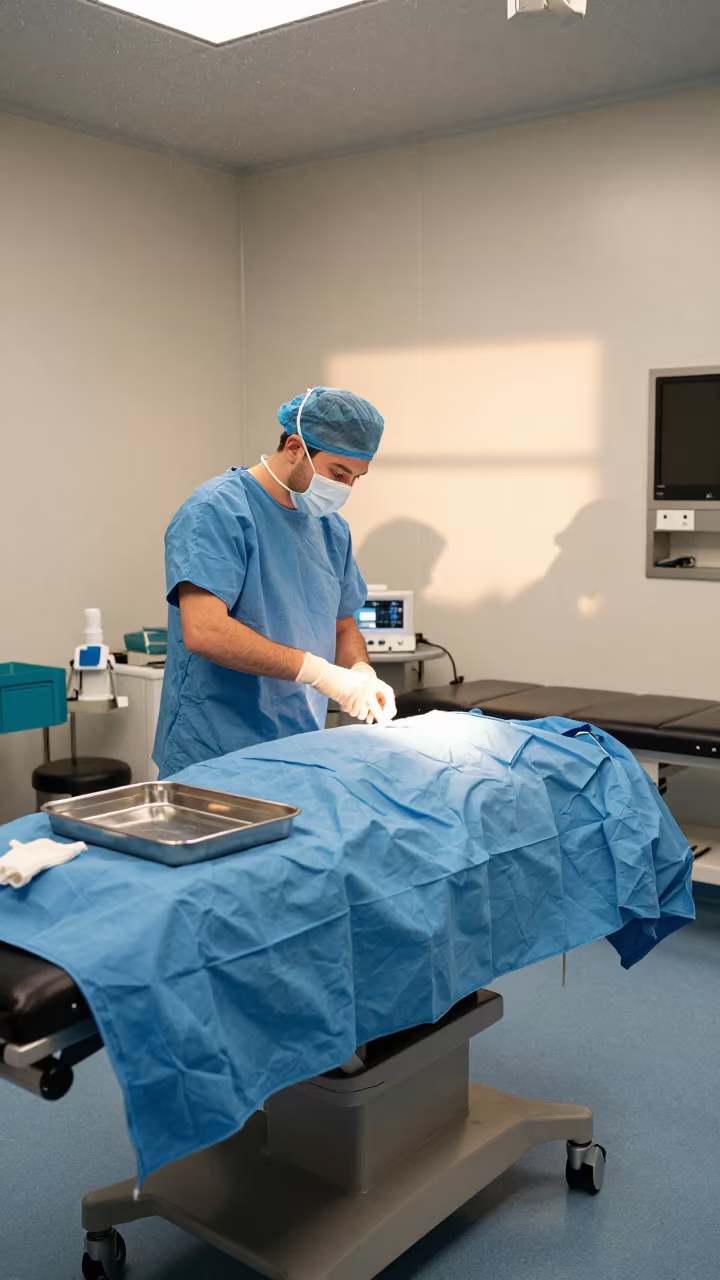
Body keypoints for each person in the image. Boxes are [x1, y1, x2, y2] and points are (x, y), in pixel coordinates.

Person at [153, 387, 396, 777]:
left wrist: (359, 672)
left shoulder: (331, 530)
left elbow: (343, 623)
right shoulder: (218, 510)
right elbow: (204, 630)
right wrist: (321, 673)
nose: (347, 488)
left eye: (356, 477)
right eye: (338, 472)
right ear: (296, 447)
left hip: (300, 744)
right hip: (217, 749)